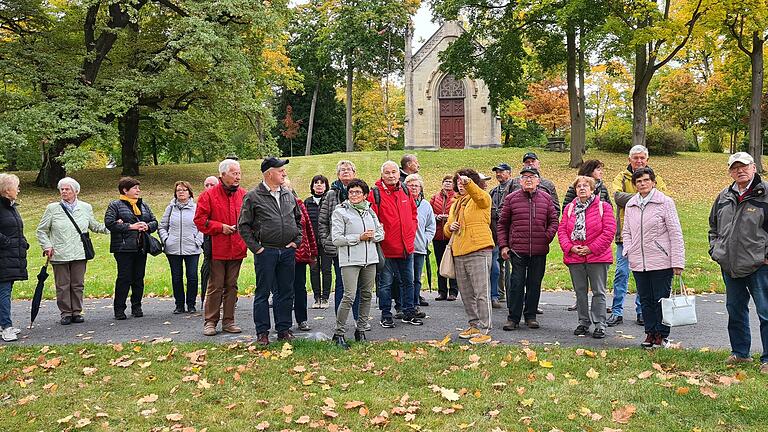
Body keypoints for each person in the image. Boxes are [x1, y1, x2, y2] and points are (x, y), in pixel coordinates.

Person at [708, 152, 768, 372]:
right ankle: (741, 353)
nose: (739, 171)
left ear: (753, 167)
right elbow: (713, 227)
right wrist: (716, 250)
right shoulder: (723, 196)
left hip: (759, 266)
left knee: (766, 312)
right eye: (735, 168)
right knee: (735, 310)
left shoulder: (765, 194)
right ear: (730, 171)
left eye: (744, 166)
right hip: (730, 265)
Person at [238, 157, 302, 346]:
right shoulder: (253, 196)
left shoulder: (288, 194)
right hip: (266, 252)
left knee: (286, 292)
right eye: (280, 170)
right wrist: (257, 248)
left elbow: (298, 220)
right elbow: (243, 226)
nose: (284, 173)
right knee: (263, 293)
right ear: (269, 174)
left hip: (287, 251)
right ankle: (262, 332)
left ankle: (284, 329)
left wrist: (296, 241)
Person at [622, 167, 684, 349]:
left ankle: (662, 335)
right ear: (635, 185)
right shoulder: (631, 204)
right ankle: (650, 333)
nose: (642, 184)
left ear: (653, 182)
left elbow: (675, 233)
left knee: (660, 300)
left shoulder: (665, 203)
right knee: (645, 299)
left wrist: (677, 261)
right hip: (638, 261)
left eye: (646, 180)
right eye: (639, 181)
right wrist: (628, 250)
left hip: (661, 260)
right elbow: (626, 231)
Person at [35, 177, 109, 325]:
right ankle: (66, 313)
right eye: (61, 189)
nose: (63, 191)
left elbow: (94, 225)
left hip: (79, 252)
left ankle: (77, 311)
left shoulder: (85, 207)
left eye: (67, 189)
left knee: (77, 284)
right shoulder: (52, 208)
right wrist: (47, 246)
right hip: (59, 253)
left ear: (76, 191)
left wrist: (113, 227)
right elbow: (41, 230)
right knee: (62, 285)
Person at [609, 145, 668, 327]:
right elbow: (618, 196)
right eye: (635, 158)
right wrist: (643, 196)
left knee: (643, 274)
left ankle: (642, 311)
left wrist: (640, 197)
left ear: (647, 159)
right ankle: (617, 311)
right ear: (630, 160)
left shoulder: (655, 177)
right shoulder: (621, 176)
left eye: (642, 158)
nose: (639, 161)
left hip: (649, 236)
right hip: (625, 234)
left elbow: (663, 196)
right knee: (622, 272)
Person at [498, 167, 559, 330]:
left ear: (538, 181)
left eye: (532, 177)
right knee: (516, 283)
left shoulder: (546, 199)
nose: (528, 179)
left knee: (534, 283)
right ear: (520, 181)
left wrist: (546, 237)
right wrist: (504, 245)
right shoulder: (511, 199)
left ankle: (530, 316)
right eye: (525, 177)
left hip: (539, 250)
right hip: (517, 249)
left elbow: (554, 221)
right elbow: (502, 224)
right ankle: (513, 318)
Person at [558, 176, 616, 339]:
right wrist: (571, 248)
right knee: (580, 292)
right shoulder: (569, 208)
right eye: (579, 186)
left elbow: (609, 231)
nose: (582, 188)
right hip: (575, 257)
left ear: (592, 189)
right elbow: (562, 231)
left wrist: (590, 249)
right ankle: (583, 322)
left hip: (597, 257)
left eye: (585, 186)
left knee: (599, 292)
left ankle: (600, 324)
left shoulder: (603, 207)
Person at [194, 159, 247, 336]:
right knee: (215, 285)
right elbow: (200, 221)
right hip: (217, 248)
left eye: (239, 173)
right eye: (234, 173)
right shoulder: (208, 196)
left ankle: (229, 321)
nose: (238, 177)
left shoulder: (243, 195)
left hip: (237, 248)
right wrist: (220, 227)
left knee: (232, 285)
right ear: (222, 175)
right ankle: (210, 321)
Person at [330, 179, 385, 349]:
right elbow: (337, 239)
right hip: (350, 260)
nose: (354, 195)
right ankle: (338, 333)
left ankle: (360, 330)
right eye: (351, 192)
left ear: (365, 195)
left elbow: (381, 233)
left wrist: (373, 236)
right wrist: (358, 238)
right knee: (349, 296)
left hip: (370, 260)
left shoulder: (370, 212)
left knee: (367, 295)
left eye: (358, 192)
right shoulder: (340, 212)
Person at [443, 169, 495, 344]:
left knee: (481, 292)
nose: (461, 186)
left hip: (479, 250)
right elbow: (447, 228)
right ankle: (473, 324)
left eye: (463, 182)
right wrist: (450, 227)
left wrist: (469, 183)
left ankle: (485, 329)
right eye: (458, 183)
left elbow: (478, 196)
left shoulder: (482, 198)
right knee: (466, 293)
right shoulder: (455, 203)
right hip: (459, 251)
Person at [369, 160, 421, 328]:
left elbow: (414, 214)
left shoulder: (405, 190)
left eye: (394, 172)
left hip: (406, 247)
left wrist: (411, 232)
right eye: (387, 173)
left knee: (408, 282)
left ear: (399, 173)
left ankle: (408, 312)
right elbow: (373, 219)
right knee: (385, 284)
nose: (391, 176)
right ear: (382, 175)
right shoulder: (375, 193)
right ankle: (386, 314)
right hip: (386, 249)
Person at [104, 177, 159, 320]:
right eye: (135, 188)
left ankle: (137, 306)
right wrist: (130, 226)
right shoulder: (114, 205)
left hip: (141, 247)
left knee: (138, 278)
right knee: (124, 278)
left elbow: (154, 221)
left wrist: (147, 226)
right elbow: (109, 223)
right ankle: (119, 309)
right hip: (123, 249)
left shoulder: (143, 205)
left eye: (138, 188)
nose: (138, 190)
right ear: (125, 190)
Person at [319, 160, 360, 320]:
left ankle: (359, 319)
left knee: (358, 285)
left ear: (354, 173)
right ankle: (340, 320)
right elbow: (322, 221)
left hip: (358, 247)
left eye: (349, 169)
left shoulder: (361, 192)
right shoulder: (330, 194)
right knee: (341, 285)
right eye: (342, 170)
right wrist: (326, 241)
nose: (345, 172)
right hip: (337, 248)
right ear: (337, 174)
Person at [158, 181, 204, 315]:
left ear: (190, 192)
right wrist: (166, 240)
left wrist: (197, 240)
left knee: (192, 276)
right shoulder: (170, 208)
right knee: (176, 277)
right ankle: (179, 304)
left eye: (184, 190)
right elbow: (162, 226)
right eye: (178, 190)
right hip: (173, 248)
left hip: (192, 248)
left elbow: (202, 226)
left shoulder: (196, 208)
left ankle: (191, 304)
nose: (181, 192)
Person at [0, 173, 27, 342]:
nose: (18, 189)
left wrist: (23, 243)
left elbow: (15, 229)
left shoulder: (11, 207)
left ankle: (4, 324)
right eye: (16, 186)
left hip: (10, 256)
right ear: (6, 189)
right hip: (3, 256)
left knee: (5, 291)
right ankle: (6, 326)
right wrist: (7, 242)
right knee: (3, 292)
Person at [405, 174, 436, 318]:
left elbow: (431, 226)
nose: (414, 188)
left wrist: (425, 240)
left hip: (420, 248)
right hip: (404, 248)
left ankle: (415, 304)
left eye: (416, 186)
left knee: (416, 278)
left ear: (421, 188)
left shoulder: (425, 205)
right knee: (406, 279)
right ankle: (405, 305)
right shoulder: (403, 201)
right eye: (411, 185)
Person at [288, 179, 317, 332]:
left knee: (300, 287)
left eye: (286, 187)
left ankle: (302, 320)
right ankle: (284, 322)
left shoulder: (299, 204)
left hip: (299, 254)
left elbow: (309, 229)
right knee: (283, 289)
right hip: (280, 254)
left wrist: (313, 251)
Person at [430, 175, 459, 301]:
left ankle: (453, 291)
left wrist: (449, 218)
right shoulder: (435, 198)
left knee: (452, 263)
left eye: (450, 182)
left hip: (452, 235)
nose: (447, 184)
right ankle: (442, 291)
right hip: (438, 235)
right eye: (445, 181)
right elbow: (429, 214)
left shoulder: (456, 197)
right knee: (440, 263)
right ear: (442, 183)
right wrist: (437, 217)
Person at [305, 175, 332, 309]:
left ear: (326, 186)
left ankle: (325, 298)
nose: (319, 185)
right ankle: (316, 298)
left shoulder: (329, 201)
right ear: (312, 185)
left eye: (322, 183)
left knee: (326, 270)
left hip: (326, 242)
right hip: (312, 243)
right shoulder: (307, 202)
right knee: (314, 270)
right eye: (316, 183)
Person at [490, 163, 513, 308]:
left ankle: (512, 296)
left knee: (511, 265)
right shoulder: (493, 191)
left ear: (509, 173)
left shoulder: (514, 187)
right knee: (496, 264)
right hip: (496, 231)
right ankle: (498, 293)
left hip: (511, 231)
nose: (498, 174)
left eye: (501, 171)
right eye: (497, 172)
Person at [199, 176, 219, 308]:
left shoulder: (220, 200)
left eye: (212, 185)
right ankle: (204, 300)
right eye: (206, 185)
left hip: (223, 244)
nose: (209, 188)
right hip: (207, 243)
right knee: (205, 271)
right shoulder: (203, 200)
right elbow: (199, 221)